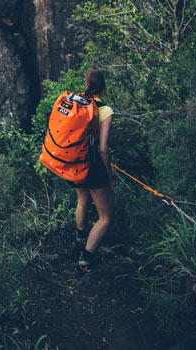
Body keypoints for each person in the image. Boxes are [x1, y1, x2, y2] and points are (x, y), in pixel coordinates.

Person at [73, 69, 115, 275]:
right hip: (93, 167)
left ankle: (81, 240)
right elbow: (103, 148)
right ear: (103, 85)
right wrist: (110, 172)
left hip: (74, 162)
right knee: (106, 217)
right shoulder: (105, 110)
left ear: (86, 82)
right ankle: (85, 260)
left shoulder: (76, 101)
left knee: (82, 200)